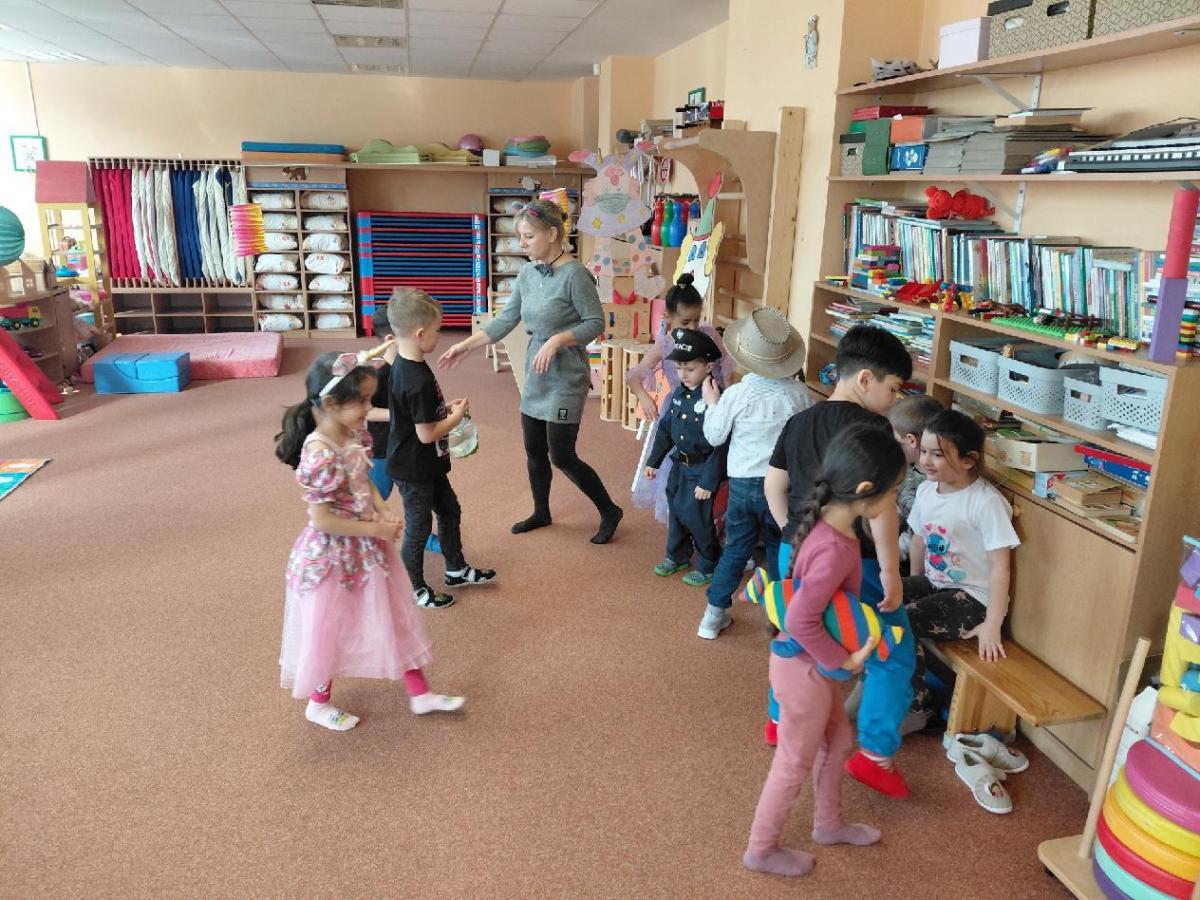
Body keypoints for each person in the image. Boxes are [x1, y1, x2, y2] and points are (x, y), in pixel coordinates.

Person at [744, 424, 905, 878]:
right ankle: (761, 849)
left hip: (809, 666)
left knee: (835, 741)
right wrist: (844, 660)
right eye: (894, 492)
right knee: (793, 762)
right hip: (805, 670)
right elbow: (800, 619)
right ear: (866, 490)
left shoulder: (832, 527)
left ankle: (829, 824)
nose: (895, 501)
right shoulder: (835, 547)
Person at [274, 350, 464, 731]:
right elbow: (323, 519)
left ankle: (420, 692)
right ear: (331, 404)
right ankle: (317, 703)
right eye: (361, 401)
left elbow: (364, 481)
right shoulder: (319, 454)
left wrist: (381, 510)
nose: (369, 408)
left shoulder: (353, 434)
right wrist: (375, 529)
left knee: (394, 614)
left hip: (366, 547)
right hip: (332, 558)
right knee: (331, 629)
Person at [762, 325, 915, 797]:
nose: (894, 399)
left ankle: (778, 721)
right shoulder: (873, 431)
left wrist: (796, 533)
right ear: (865, 379)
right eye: (894, 388)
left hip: (795, 547)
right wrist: (890, 572)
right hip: (854, 561)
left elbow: (773, 484)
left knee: (794, 633)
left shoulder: (800, 420)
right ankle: (875, 756)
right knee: (891, 651)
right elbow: (882, 510)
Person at [440, 198, 623, 544]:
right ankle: (541, 512)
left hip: (566, 375)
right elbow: (506, 319)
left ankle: (610, 510)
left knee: (562, 455)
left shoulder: (576, 275)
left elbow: (595, 323)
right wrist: (466, 344)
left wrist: (558, 340)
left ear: (552, 234)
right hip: (536, 373)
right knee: (534, 450)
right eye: (519, 237)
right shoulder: (527, 273)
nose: (521, 244)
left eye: (528, 237)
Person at [697, 307, 812, 640]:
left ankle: (712, 617)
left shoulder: (736, 394)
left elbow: (714, 436)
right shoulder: (800, 395)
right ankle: (780, 619)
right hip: (783, 486)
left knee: (736, 549)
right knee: (779, 550)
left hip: (743, 487)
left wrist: (711, 403)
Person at [904, 409, 1020, 727]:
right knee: (882, 600)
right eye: (924, 451)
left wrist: (993, 623)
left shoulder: (985, 502)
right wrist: (914, 586)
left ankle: (917, 708)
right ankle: (876, 683)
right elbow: (918, 540)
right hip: (935, 582)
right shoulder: (927, 489)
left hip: (974, 600)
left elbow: (1000, 568)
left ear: (969, 460)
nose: (926, 461)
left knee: (903, 620)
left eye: (938, 454)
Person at [387, 288, 496, 610]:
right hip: (414, 467)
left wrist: (443, 410)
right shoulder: (415, 377)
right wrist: (456, 417)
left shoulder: (407, 363)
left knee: (449, 511)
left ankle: (456, 570)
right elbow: (427, 434)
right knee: (418, 529)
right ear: (420, 333)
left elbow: (416, 415)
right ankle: (414, 588)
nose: (440, 335)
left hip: (426, 464)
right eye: (437, 330)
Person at [627, 273, 734, 523]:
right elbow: (634, 377)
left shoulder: (709, 334)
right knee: (678, 467)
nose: (693, 327)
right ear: (668, 318)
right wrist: (645, 398)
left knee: (712, 464)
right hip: (679, 412)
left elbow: (725, 370)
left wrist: (727, 401)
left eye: (697, 320)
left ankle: (711, 517)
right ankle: (680, 519)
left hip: (710, 407)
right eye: (686, 322)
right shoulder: (664, 345)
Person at [643, 328, 728, 587]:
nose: (683, 374)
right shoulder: (680, 394)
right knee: (677, 512)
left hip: (702, 469)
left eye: (690, 369)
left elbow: (721, 446)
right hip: (679, 466)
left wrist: (708, 481)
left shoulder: (716, 399)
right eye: (679, 368)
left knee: (697, 518)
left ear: (709, 366)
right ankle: (677, 555)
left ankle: (708, 562)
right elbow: (666, 430)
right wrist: (653, 461)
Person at [887, 394, 943, 570]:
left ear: (911, 440)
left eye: (897, 441)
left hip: (918, 560)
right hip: (897, 546)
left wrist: (886, 555)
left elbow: (917, 535)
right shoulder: (907, 468)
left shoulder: (933, 483)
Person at [366, 306, 399, 500]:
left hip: (407, 443)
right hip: (383, 447)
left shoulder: (410, 368)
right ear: (390, 339)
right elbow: (366, 411)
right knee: (378, 496)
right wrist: (398, 414)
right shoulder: (378, 375)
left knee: (417, 494)